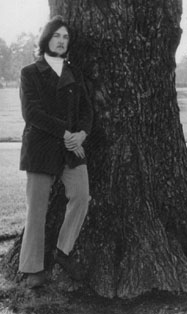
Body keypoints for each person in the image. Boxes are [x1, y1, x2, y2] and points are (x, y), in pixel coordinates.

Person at [18, 15, 93, 289]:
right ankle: (32, 269)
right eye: (56, 36)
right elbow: (32, 113)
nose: (61, 41)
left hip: (73, 148)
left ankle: (63, 251)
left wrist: (82, 134)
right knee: (36, 209)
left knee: (82, 196)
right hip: (41, 148)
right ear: (46, 39)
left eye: (65, 37)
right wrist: (66, 134)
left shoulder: (75, 73)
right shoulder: (30, 72)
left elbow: (87, 110)